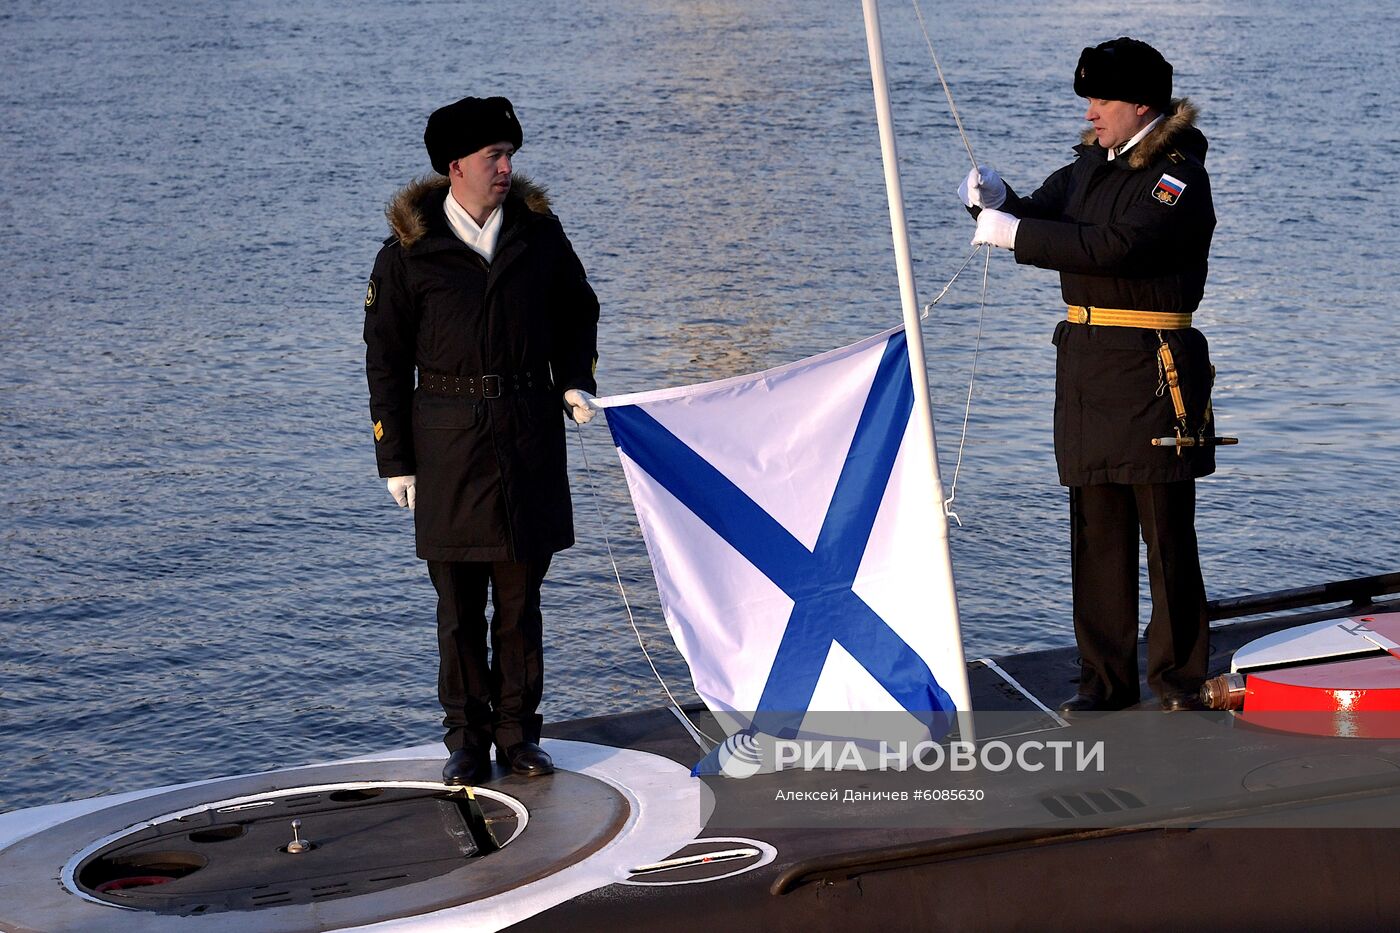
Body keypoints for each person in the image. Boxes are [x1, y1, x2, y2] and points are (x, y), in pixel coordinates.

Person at [959, 37, 1217, 715]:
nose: (1092, 111)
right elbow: (1045, 217)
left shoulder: (1178, 175)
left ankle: (1182, 678)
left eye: (1102, 100)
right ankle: (1105, 681)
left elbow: (1119, 246)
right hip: (1088, 369)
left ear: (1142, 104)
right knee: (1095, 533)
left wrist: (1012, 235)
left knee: (1165, 533)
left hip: (1153, 371)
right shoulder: (1088, 166)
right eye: (1089, 100)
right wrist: (996, 201)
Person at [364, 95, 600, 783]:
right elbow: (385, 358)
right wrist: (395, 458)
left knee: (522, 601)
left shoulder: (538, 236)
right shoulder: (409, 255)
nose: (506, 168)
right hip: (447, 448)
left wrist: (573, 380)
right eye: (494, 156)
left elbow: (577, 309)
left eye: (510, 156)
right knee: (460, 607)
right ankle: (466, 741)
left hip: (527, 435)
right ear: (454, 164)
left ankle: (519, 735)